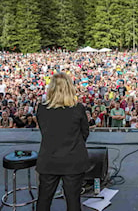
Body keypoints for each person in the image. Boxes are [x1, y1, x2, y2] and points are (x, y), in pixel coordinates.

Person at [35, 72, 90, 211]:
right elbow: (85, 133)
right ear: (70, 88)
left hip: (49, 160)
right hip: (73, 160)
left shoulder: (42, 109)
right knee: (73, 202)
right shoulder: (78, 109)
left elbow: (44, 132)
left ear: (51, 89)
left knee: (43, 201)